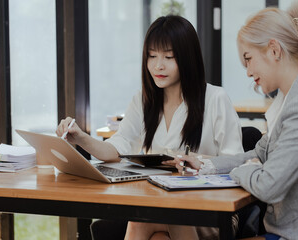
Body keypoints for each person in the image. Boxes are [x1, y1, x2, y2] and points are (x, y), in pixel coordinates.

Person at [56, 15, 244, 240]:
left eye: (169, 56)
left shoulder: (215, 99)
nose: (158, 65)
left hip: (214, 211)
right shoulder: (143, 102)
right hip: (164, 205)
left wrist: (199, 164)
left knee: (144, 220)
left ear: (187, 59)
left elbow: (237, 164)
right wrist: (80, 138)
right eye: (152, 56)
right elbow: (117, 148)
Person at [172, 0, 298, 239]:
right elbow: (260, 155)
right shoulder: (291, 97)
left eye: (248, 59)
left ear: (274, 50)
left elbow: (269, 185)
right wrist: (207, 165)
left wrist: (241, 171)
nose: (248, 72)